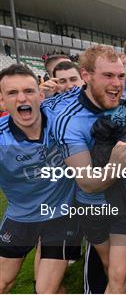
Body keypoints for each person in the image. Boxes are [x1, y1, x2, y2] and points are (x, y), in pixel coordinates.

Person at [53, 45, 126, 293]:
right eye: (108, 75)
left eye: (120, 76)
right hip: (91, 204)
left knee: (119, 272)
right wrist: (116, 165)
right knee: (109, 266)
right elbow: (88, 183)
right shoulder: (69, 120)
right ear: (86, 75)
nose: (116, 83)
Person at [0, 64, 77, 293]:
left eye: (29, 91)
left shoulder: (63, 123)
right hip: (20, 216)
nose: (22, 98)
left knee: (46, 290)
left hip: (61, 216)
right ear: (2, 101)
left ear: (40, 95)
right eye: (12, 93)